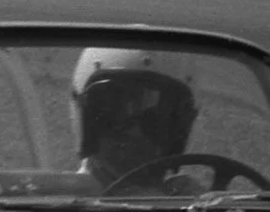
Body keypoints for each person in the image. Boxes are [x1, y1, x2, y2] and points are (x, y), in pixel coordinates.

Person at [71, 47, 201, 195]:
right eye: (116, 113)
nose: (135, 132)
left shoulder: (194, 206)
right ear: (88, 119)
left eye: (155, 119)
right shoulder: (61, 208)